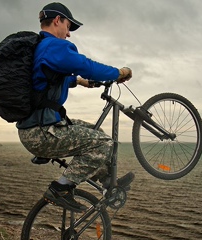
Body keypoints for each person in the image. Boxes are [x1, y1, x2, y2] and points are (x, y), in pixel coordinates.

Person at [17, 2, 133, 212]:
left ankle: (106, 181)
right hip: (43, 132)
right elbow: (86, 65)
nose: (69, 34)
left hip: (37, 127)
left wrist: (78, 81)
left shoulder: (41, 47)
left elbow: (46, 80)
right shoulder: (54, 46)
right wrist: (118, 73)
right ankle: (60, 187)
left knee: (96, 133)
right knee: (104, 143)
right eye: (68, 27)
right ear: (57, 20)